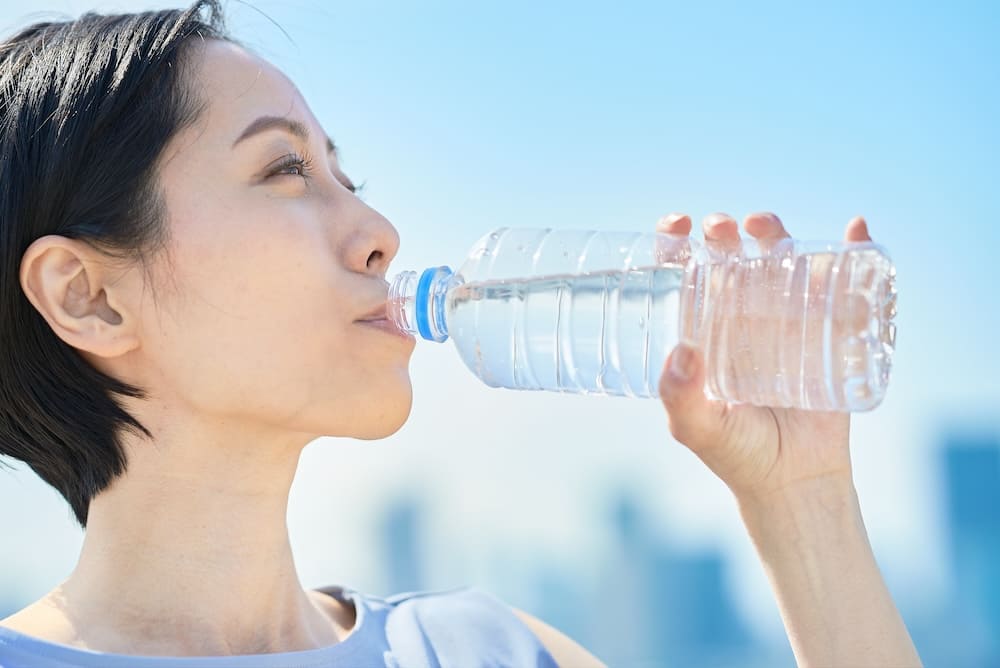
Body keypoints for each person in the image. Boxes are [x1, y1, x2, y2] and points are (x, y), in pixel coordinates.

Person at [0, 2, 922, 666]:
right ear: (88, 296)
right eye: (284, 168)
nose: (380, 233)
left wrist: (802, 498)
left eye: (346, 175)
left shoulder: (487, 651)